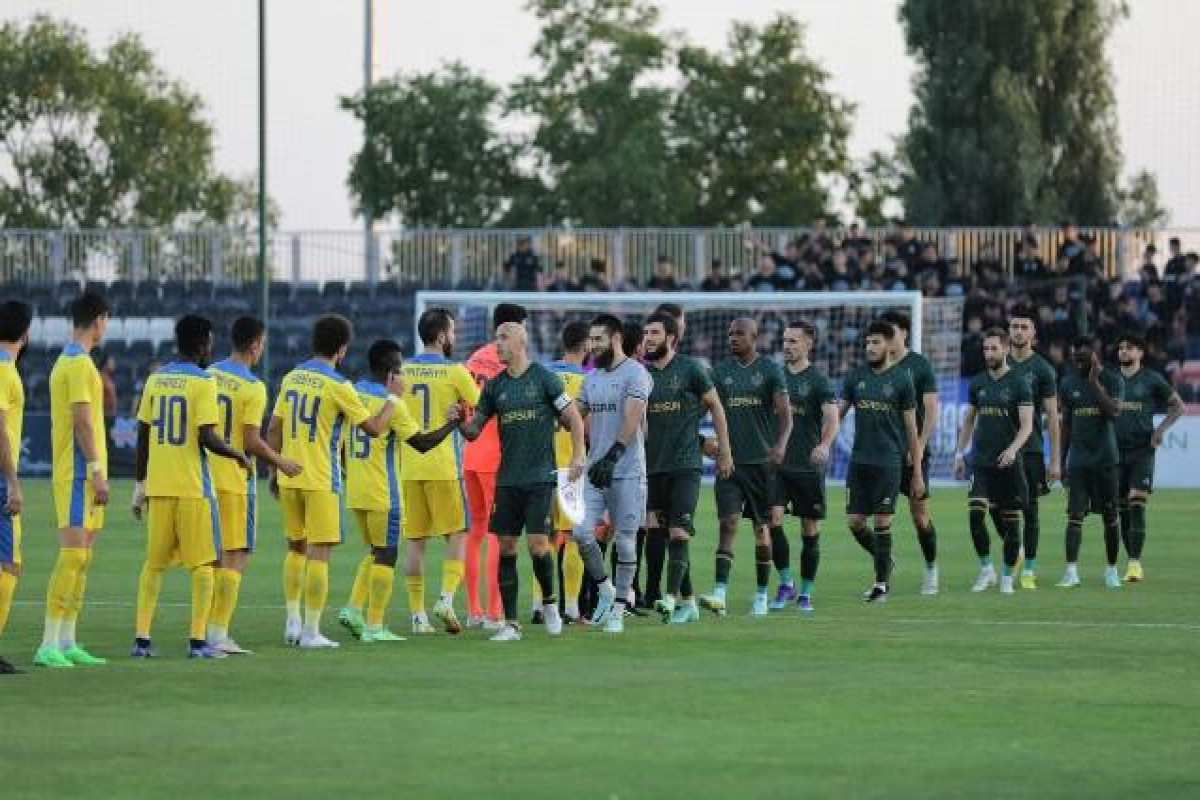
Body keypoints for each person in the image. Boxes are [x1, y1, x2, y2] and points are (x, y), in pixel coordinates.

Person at [269, 314, 403, 648]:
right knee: (319, 553)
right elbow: (372, 429)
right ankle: (312, 631)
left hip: (289, 476)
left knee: (295, 547)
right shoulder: (339, 386)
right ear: (342, 349)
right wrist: (394, 399)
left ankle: (293, 619)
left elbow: (274, 428)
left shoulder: (293, 377)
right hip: (320, 479)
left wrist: (274, 469)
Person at [129, 315, 252, 659]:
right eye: (209, 341)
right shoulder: (203, 382)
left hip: (159, 486)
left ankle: (142, 639)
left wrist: (141, 483)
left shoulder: (156, 379)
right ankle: (198, 641)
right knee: (202, 566)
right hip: (193, 488)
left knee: (153, 565)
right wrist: (236, 454)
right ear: (202, 345)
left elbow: (143, 434)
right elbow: (207, 436)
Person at [457, 322, 586, 642]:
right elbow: (474, 432)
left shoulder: (544, 379)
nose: (496, 343)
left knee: (539, 544)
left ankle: (550, 604)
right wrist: (460, 422)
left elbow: (573, 418)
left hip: (540, 478)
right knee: (506, 546)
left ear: (520, 342)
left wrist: (578, 455)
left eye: (503, 338)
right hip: (507, 480)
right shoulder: (495, 387)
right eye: (495, 337)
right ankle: (511, 624)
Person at [340, 339, 461, 642]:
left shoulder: (352, 393)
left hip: (355, 489)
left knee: (375, 551)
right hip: (384, 492)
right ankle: (374, 625)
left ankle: (354, 609)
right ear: (392, 374)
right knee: (387, 555)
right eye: (402, 371)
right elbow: (422, 444)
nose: (405, 377)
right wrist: (451, 424)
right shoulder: (394, 405)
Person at [207, 316, 303, 654]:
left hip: (205, 478)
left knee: (215, 558)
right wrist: (280, 462)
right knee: (238, 555)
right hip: (235, 479)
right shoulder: (253, 386)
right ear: (254, 345)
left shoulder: (209, 375)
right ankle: (218, 634)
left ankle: (206, 630)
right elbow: (250, 439)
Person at [35, 291, 111, 669]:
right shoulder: (78, 365)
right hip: (78, 473)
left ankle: (68, 640)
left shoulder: (72, 361)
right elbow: (82, 421)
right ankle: (48, 642)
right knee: (73, 556)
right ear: (99, 319)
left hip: (83, 474)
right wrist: (97, 472)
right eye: (106, 320)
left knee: (82, 559)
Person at [642, 311, 732, 624]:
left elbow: (716, 406)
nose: (648, 338)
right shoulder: (642, 375)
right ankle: (690, 602)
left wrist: (725, 451)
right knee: (661, 534)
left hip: (685, 466)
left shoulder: (691, 369)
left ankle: (668, 597)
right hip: (653, 467)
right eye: (645, 333)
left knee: (679, 532)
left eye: (654, 333)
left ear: (670, 337)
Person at [564, 314, 652, 634]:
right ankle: (605, 589)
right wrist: (552, 406)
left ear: (615, 339)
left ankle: (618, 609)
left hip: (627, 471)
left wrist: (614, 454)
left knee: (626, 543)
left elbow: (633, 417)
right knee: (581, 533)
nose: (592, 345)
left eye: (598, 339)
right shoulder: (592, 378)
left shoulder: (636, 373)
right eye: (591, 339)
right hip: (594, 472)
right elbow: (574, 414)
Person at [698, 317, 791, 617]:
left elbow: (786, 415)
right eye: (729, 334)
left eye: (739, 334)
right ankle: (720, 593)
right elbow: (703, 409)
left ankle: (762, 595)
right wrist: (703, 442)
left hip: (761, 466)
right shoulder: (720, 372)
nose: (732, 338)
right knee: (728, 524)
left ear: (755, 337)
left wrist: (780, 445)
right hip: (729, 463)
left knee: (762, 529)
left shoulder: (770, 371)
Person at [399, 309, 480, 634]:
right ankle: (446, 599)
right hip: (444, 466)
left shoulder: (402, 370)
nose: (456, 337)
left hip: (409, 467)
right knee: (456, 534)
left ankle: (418, 617)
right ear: (443, 336)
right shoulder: (455, 372)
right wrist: (460, 413)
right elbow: (477, 407)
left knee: (416, 543)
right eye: (454, 331)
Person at [839, 320, 923, 604]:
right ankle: (885, 558)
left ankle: (880, 585)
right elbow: (838, 412)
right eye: (867, 343)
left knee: (882, 522)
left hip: (889, 463)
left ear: (888, 344)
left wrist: (917, 472)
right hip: (859, 462)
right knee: (854, 522)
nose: (869, 348)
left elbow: (912, 428)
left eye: (875, 342)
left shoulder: (902, 380)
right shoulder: (855, 377)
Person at [462, 303, 527, 629]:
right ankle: (494, 613)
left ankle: (473, 610)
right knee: (498, 535)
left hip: (470, 455)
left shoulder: (473, 359)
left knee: (475, 532)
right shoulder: (508, 362)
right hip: (495, 457)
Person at [954, 329, 1034, 594]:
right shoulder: (978, 383)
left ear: (1006, 350)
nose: (989, 354)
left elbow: (1027, 426)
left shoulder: (1020, 384)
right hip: (981, 463)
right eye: (985, 349)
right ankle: (986, 569)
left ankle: (1007, 576)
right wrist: (959, 453)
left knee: (1011, 523)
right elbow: (969, 421)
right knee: (976, 515)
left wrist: (1012, 449)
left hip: (1009, 465)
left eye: (993, 349)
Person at [772, 320, 839, 613]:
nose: (787, 346)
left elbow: (833, 419)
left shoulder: (819, 381)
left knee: (809, 528)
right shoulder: (774, 377)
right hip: (777, 465)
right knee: (772, 521)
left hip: (807, 467)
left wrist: (823, 445)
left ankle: (806, 593)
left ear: (808, 344)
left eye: (793, 341)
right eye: (785, 340)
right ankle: (786, 582)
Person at [878, 311, 940, 595]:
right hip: (885, 453)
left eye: (891, 333)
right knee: (880, 518)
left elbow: (930, 411)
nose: (886, 339)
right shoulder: (877, 366)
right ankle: (882, 578)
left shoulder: (920, 366)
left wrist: (920, 446)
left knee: (920, 516)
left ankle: (931, 568)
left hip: (913, 453)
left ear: (904, 333)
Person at [1114, 332, 1183, 582]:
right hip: (1114, 452)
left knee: (1136, 500)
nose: (1123, 351)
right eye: (1121, 347)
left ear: (1140, 353)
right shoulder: (1110, 379)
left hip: (1142, 450)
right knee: (1122, 508)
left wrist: (1160, 430)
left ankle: (1135, 563)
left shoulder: (1152, 379)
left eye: (1129, 348)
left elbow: (1179, 406)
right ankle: (1129, 559)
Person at [1057, 335, 1124, 589]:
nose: (1077, 361)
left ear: (1095, 354)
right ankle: (1071, 571)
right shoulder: (1067, 383)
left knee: (1110, 516)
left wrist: (1094, 382)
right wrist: (1060, 461)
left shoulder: (1113, 380)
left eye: (1082, 357)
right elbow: (1066, 426)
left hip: (1106, 460)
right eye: (1075, 357)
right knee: (1074, 515)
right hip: (1078, 462)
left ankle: (1111, 570)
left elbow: (1114, 411)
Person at [1006, 308, 1062, 588]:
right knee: (992, 506)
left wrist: (1055, 460)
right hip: (998, 449)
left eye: (1023, 327)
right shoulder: (999, 364)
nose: (1018, 331)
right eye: (1014, 326)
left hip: (1030, 450)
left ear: (1033, 333)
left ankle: (1028, 569)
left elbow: (1052, 417)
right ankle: (1015, 551)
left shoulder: (1042, 369)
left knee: (1030, 511)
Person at [540, 321, 589, 624]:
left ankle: (538, 603)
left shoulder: (542, 374)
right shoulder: (589, 380)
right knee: (571, 536)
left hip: (542, 465)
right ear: (585, 347)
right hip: (572, 467)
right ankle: (571, 606)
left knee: (541, 536)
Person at [0, 300, 31, 674]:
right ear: (25, 332)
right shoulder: (5, 372)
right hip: (0, 480)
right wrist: (12, 482)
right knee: (8, 565)